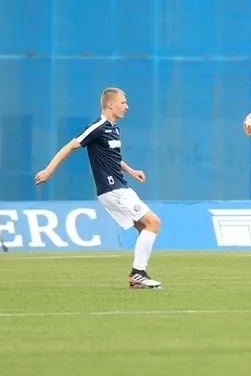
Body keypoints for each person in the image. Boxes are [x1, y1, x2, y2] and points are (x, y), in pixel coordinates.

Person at [34, 87, 163, 289]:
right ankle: (138, 274)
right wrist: (49, 170)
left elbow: (113, 157)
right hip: (113, 189)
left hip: (118, 186)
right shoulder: (98, 127)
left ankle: (138, 276)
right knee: (153, 223)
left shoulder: (114, 128)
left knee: (145, 227)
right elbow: (69, 146)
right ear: (111, 104)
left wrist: (131, 171)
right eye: (123, 102)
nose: (127, 106)